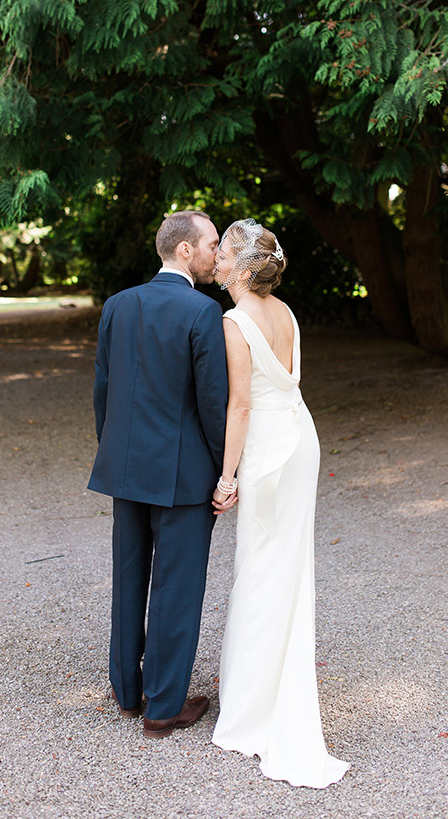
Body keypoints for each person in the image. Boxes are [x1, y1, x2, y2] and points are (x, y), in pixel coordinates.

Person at [210, 219, 349, 788]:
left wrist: (226, 478)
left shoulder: (235, 321)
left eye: (221, 252)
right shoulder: (286, 312)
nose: (215, 260)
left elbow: (240, 407)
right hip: (302, 441)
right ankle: (270, 693)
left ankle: (252, 714)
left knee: (261, 573)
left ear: (243, 268)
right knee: (287, 571)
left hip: (268, 448)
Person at [88, 210, 235, 739]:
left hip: (126, 470)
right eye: (213, 243)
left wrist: (116, 453)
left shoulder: (117, 306)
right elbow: (213, 403)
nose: (219, 252)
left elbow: (103, 392)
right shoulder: (202, 312)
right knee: (176, 588)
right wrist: (226, 472)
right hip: (182, 477)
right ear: (185, 252)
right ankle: (164, 707)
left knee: (129, 579)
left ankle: (128, 694)